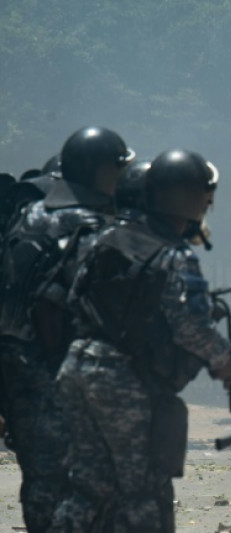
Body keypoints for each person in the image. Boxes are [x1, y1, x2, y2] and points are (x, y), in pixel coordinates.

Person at [51, 149, 231, 532]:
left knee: (88, 486)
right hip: (124, 380)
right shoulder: (173, 254)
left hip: (76, 368)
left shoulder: (104, 237)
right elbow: (189, 326)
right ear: (189, 199)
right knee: (144, 491)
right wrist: (225, 361)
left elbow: (73, 300)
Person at [0, 127, 133, 532]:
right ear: (99, 170)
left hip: (17, 373)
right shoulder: (92, 228)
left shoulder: (27, 218)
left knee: (41, 479)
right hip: (62, 378)